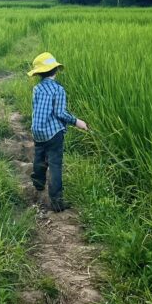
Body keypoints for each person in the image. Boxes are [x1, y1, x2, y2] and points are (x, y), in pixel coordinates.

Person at [27, 51, 88, 212]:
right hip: (54, 133)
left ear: (39, 73)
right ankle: (56, 202)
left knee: (39, 158)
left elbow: (36, 109)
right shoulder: (58, 90)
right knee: (55, 164)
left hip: (37, 131)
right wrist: (77, 122)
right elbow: (60, 113)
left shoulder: (37, 89)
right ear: (55, 70)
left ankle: (38, 186)